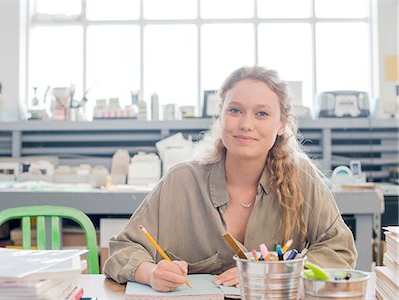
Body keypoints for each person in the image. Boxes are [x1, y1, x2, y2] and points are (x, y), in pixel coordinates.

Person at [103, 66, 357, 292]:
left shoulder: (301, 177)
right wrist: (150, 273)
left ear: (281, 124)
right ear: (221, 116)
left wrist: (272, 273)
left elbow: (340, 250)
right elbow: (122, 250)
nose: (246, 124)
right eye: (235, 110)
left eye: (262, 114)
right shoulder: (181, 181)